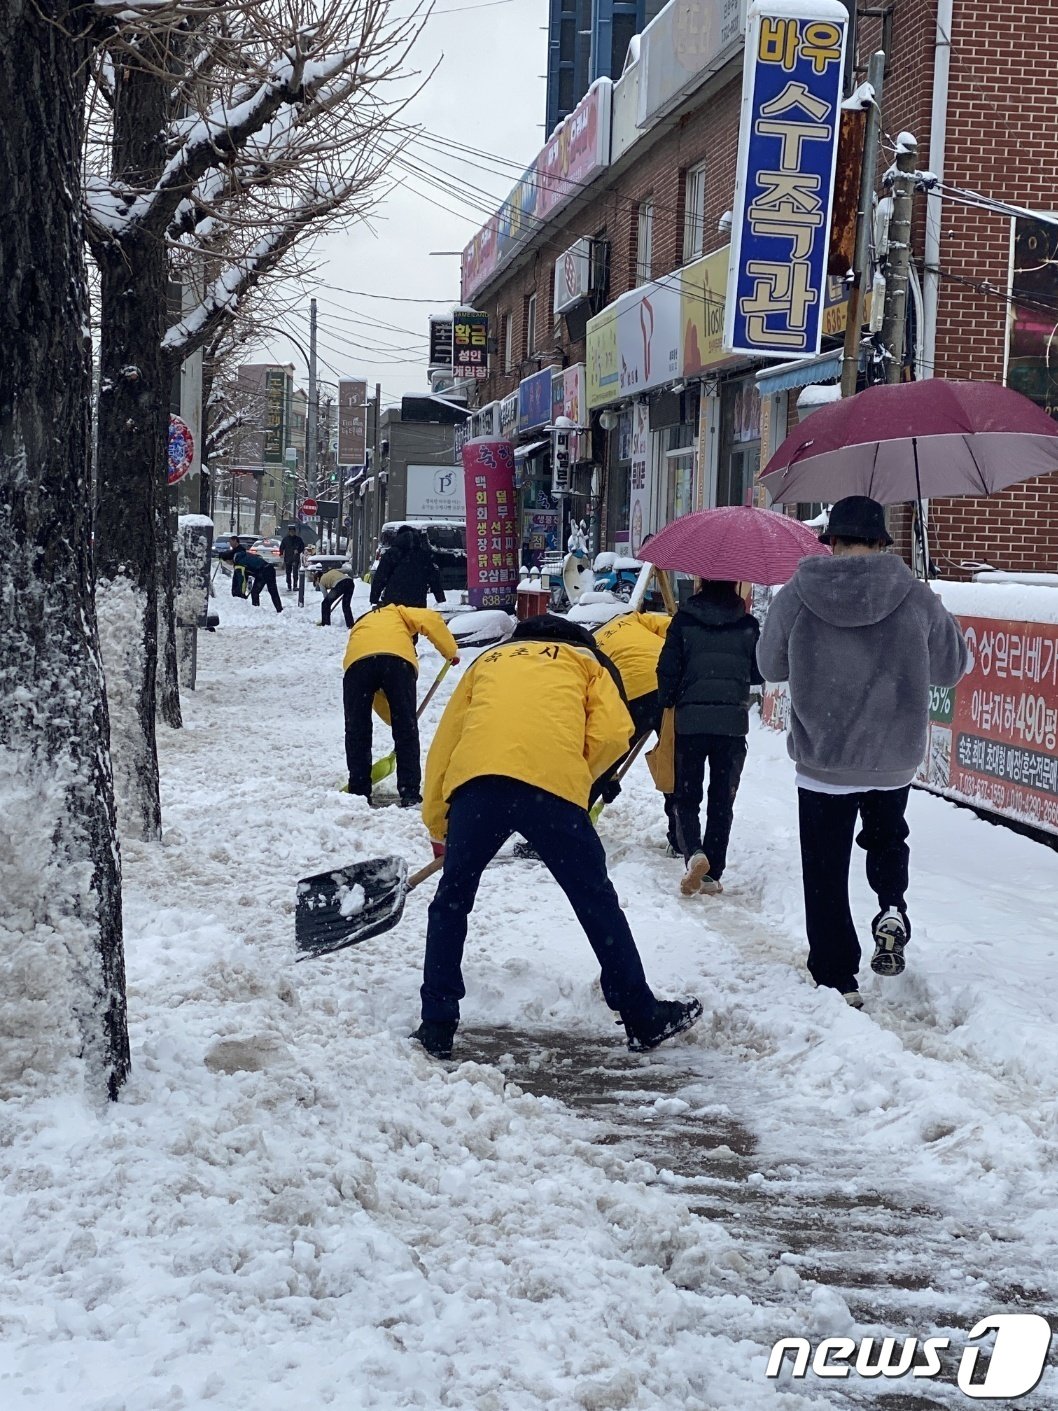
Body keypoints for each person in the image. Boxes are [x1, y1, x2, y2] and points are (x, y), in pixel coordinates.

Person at [412, 614, 703, 1060]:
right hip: (553, 790)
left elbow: (446, 744)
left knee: (452, 899)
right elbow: (613, 732)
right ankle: (641, 1015)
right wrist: (577, 780)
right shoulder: (587, 663)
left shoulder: (487, 662)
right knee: (594, 899)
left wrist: (439, 822)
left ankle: (436, 1023)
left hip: (478, 783)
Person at [757, 496, 968, 1008]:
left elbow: (768, 666)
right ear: (881, 543)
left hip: (823, 759)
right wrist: (933, 613)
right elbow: (951, 669)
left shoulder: (797, 593)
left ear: (831, 540)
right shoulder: (915, 596)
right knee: (887, 836)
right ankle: (891, 905)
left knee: (825, 869)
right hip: (892, 754)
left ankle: (837, 977)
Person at [656, 580, 763, 897]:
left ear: (701, 584)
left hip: (690, 724)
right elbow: (758, 674)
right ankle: (712, 872)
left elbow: (666, 668)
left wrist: (669, 699)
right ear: (736, 587)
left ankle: (694, 855)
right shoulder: (747, 624)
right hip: (731, 725)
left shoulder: (684, 620)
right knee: (721, 802)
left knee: (686, 797)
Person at [343, 603, 459, 806]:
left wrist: (392, 717)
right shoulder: (398, 611)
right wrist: (450, 650)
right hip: (397, 663)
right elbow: (430, 619)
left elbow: (376, 698)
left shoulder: (360, 625)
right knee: (406, 729)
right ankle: (410, 792)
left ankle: (359, 790)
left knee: (357, 729)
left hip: (357, 665)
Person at [590, 610, 676, 838]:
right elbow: (675, 628)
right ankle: (680, 838)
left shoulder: (592, 647)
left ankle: (569, 825)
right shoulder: (634, 619)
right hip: (669, 685)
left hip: (630, 695)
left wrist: (609, 776)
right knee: (671, 761)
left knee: (606, 758)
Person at [370, 525, 446, 608]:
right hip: (418, 600)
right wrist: (440, 597)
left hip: (394, 601)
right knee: (415, 620)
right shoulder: (423, 555)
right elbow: (434, 578)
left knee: (397, 620)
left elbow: (380, 577)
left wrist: (374, 598)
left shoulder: (391, 554)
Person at [226, 538, 283, 612]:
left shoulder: (239, 562)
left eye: (228, 562)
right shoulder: (243, 556)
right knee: (272, 591)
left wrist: (241, 593)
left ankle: (257, 611)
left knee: (255, 592)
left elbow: (241, 579)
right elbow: (246, 577)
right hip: (268, 569)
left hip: (263, 571)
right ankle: (279, 609)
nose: (229, 564)